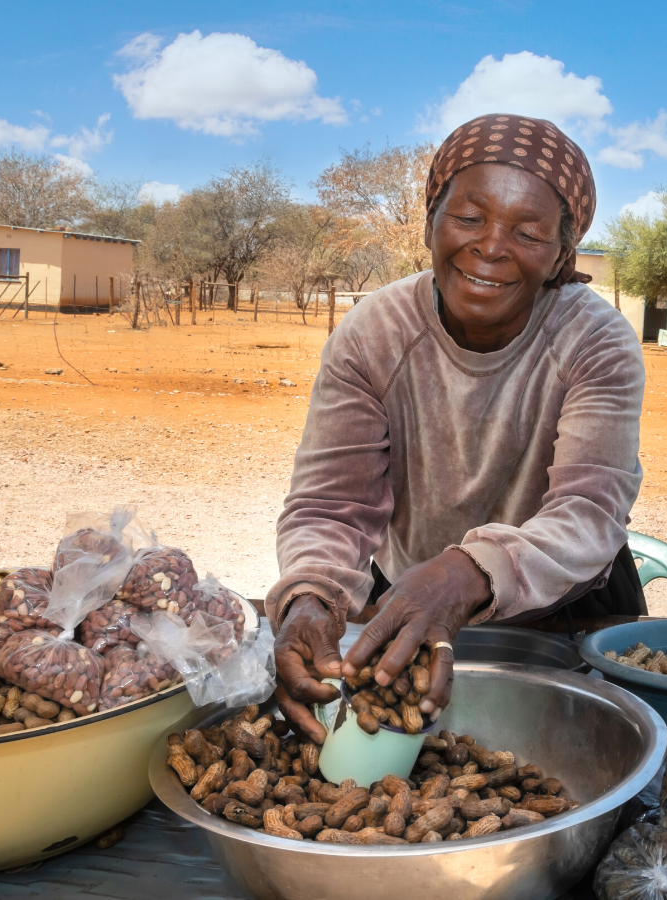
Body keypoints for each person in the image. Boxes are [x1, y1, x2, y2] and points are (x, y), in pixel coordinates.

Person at [267, 114, 646, 741]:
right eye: (468, 218)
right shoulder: (376, 333)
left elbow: (589, 509)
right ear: (430, 223)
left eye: (527, 232)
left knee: (563, 761)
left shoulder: (594, 339)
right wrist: (310, 594)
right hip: (409, 597)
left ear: (560, 256)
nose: (491, 246)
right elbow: (332, 505)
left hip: (564, 608)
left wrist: (470, 569)